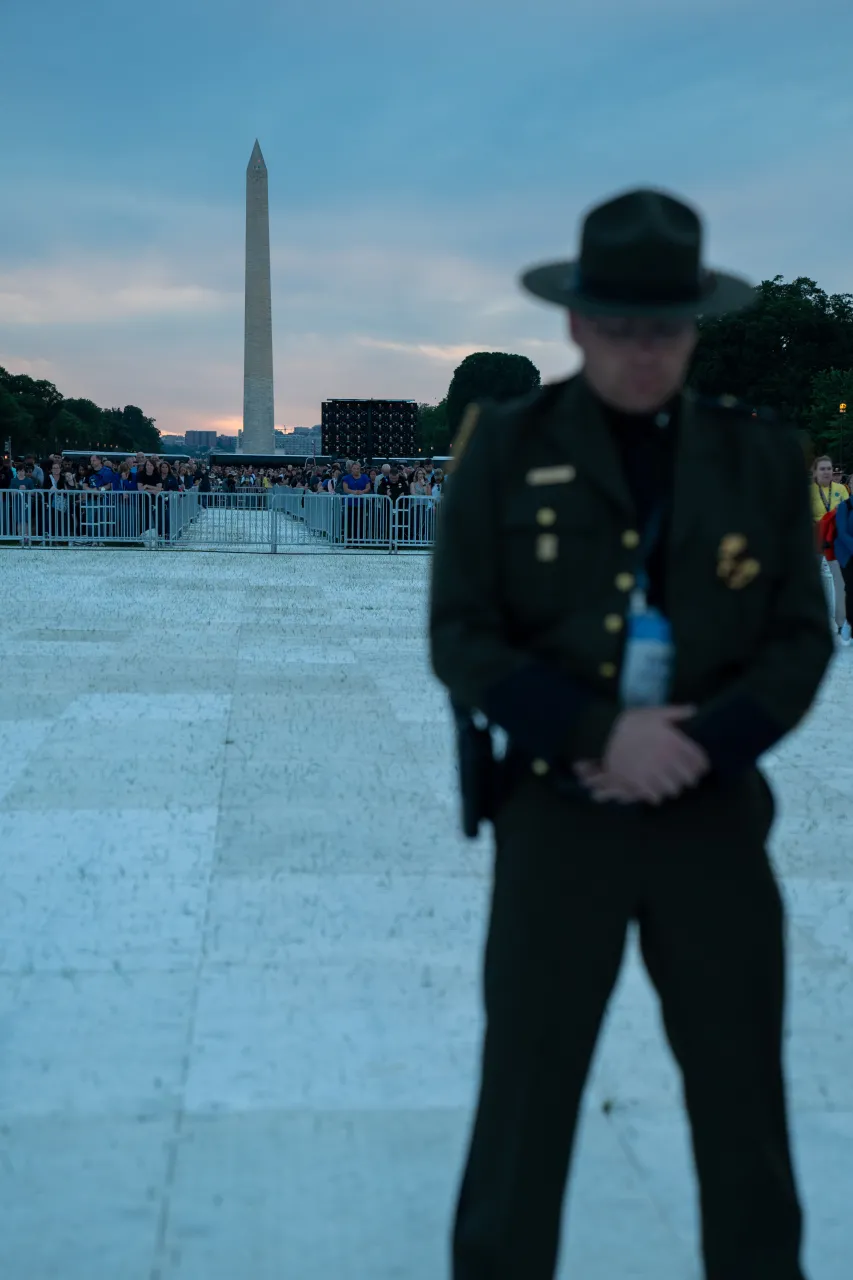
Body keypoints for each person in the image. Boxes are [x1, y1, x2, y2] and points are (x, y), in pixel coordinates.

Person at [430, 187, 833, 1280]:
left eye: (663, 328)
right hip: (558, 826)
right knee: (521, 1112)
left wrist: (703, 741)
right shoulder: (506, 450)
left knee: (744, 1112)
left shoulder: (760, 457)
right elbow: (461, 636)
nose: (642, 352)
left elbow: (803, 635)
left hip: (710, 821)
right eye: (619, 327)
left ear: (694, 324)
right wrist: (601, 732)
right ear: (574, 320)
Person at [810, 455, 850, 643]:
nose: (827, 472)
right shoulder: (809, 491)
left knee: (840, 583)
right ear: (815, 472)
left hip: (836, 540)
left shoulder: (841, 489)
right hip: (816, 540)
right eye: (823, 469)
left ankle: (842, 623)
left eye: (829, 468)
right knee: (811, 582)